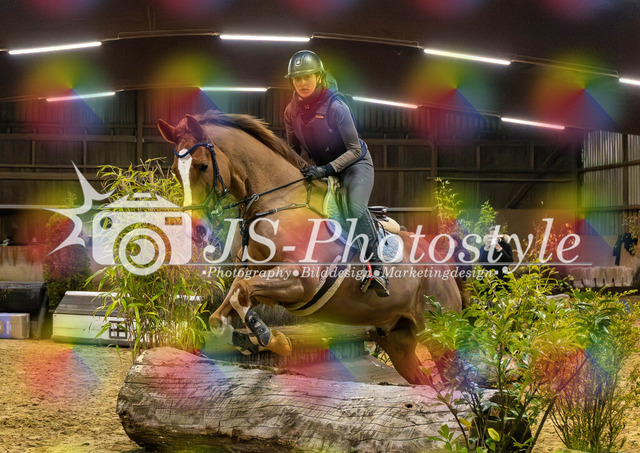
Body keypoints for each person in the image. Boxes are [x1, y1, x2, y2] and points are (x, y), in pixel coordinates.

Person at [283, 50, 389, 297]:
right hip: (323, 170)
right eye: (297, 78)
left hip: (355, 165)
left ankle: (378, 269)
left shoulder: (336, 106)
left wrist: (325, 170)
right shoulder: (290, 112)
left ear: (319, 77)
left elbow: (354, 149)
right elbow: (292, 151)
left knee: (354, 208)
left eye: (307, 77)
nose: (302, 82)